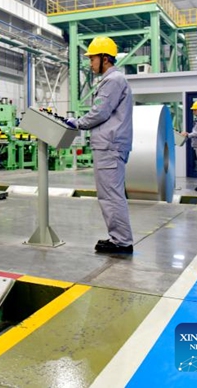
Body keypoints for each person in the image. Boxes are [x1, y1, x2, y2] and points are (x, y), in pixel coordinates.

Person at [65, 36, 134, 254]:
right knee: (110, 194)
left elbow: (100, 112)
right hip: (109, 146)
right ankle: (119, 238)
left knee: (111, 195)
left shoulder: (113, 81)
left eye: (93, 58)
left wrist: (77, 123)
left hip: (109, 146)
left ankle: (121, 241)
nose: (90, 63)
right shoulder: (113, 80)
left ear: (105, 58)